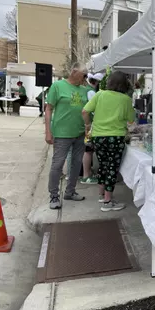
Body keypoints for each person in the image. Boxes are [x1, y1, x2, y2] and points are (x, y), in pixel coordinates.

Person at [82, 71, 135, 212]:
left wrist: (88, 126)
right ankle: (107, 201)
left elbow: (85, 111)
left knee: (103, 165)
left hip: (98, 136)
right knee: (112, 168)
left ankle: (101, 195)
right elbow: (131, 120)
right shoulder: (125, 99)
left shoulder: (100, 94)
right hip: (116, 137)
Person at [45, 62, 89, 209]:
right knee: (57, 164)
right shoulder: (57, 86)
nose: (85, 78)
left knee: (77, 164)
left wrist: (88, 128)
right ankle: (53, 196)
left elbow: (86, 110)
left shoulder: (84, 90)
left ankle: (70, 191)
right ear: (74, 72)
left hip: (79, 133)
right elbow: (49, 109)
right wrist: (48, 131)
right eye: (84, 75)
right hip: (62, 133)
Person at [80, 73, 103, 185]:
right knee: (88, 150)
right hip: (89, 125)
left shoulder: (87, 90)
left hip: (88, 124)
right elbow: (93, 109)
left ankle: (87, 173)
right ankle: (86, 175)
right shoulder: (91, 92)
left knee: (88, 149)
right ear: (96, 82)